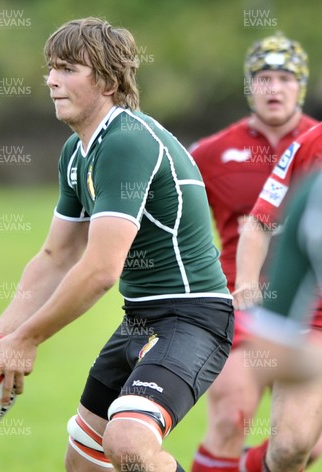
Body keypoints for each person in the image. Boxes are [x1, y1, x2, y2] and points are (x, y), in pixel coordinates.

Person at [0, 17, 234, 472]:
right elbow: (57, 255)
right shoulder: (77, 151)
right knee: (83, 463)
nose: (51, 79)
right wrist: (3, 334)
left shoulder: (127, 142)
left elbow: (100, 270)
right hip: (140, 321)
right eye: (50, 68)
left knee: (128, 441)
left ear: (108, 81)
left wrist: (29, 338)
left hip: (192, 319)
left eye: (68, 68)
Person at [188, 33, 318, 472]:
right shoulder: (209, 153)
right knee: (231, 416)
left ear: (301, 85)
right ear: (250, 87)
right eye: (264, 78)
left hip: (309, 310)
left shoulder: (314, 144)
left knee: (301, 445)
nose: (274, 88)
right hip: (240, 306)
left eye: (285, 78)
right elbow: (173, 222)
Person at [234, 121, 322, 472]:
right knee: (290, 446)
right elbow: (259, 223)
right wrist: (247, 283)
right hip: (315, 321)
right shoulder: (310, 152)